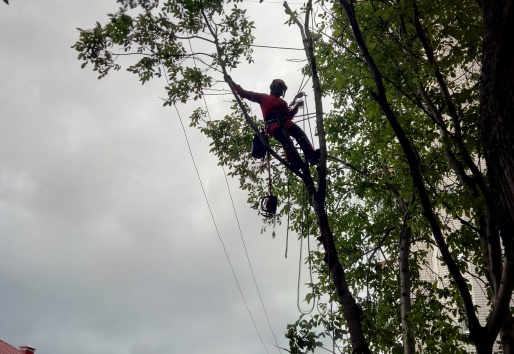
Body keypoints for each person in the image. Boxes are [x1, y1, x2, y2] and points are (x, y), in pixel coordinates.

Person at [227, 76, 320, 170]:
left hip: (285, 122)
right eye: (280, 89)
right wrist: (233, 83)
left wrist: (297, 106)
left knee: (300, 134)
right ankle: (293, 160)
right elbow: (245, 93)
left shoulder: (283, 103)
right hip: (272, 125)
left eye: (282, 90)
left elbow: (289, 115)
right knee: (286, 141)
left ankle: (311, 155)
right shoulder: (263, 97)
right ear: (275, 88)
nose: (280, 91)